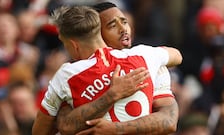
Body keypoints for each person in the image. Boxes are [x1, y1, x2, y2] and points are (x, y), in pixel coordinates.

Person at [32, 5, 182, 135]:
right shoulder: (146, 55)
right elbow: (65, 126)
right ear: (99, 31)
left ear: (73, 44)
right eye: (112, 25)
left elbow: (169, 121)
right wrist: (111, 95)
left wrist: (116, 128)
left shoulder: (67, 74)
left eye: (124, 22)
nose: (123, 29)